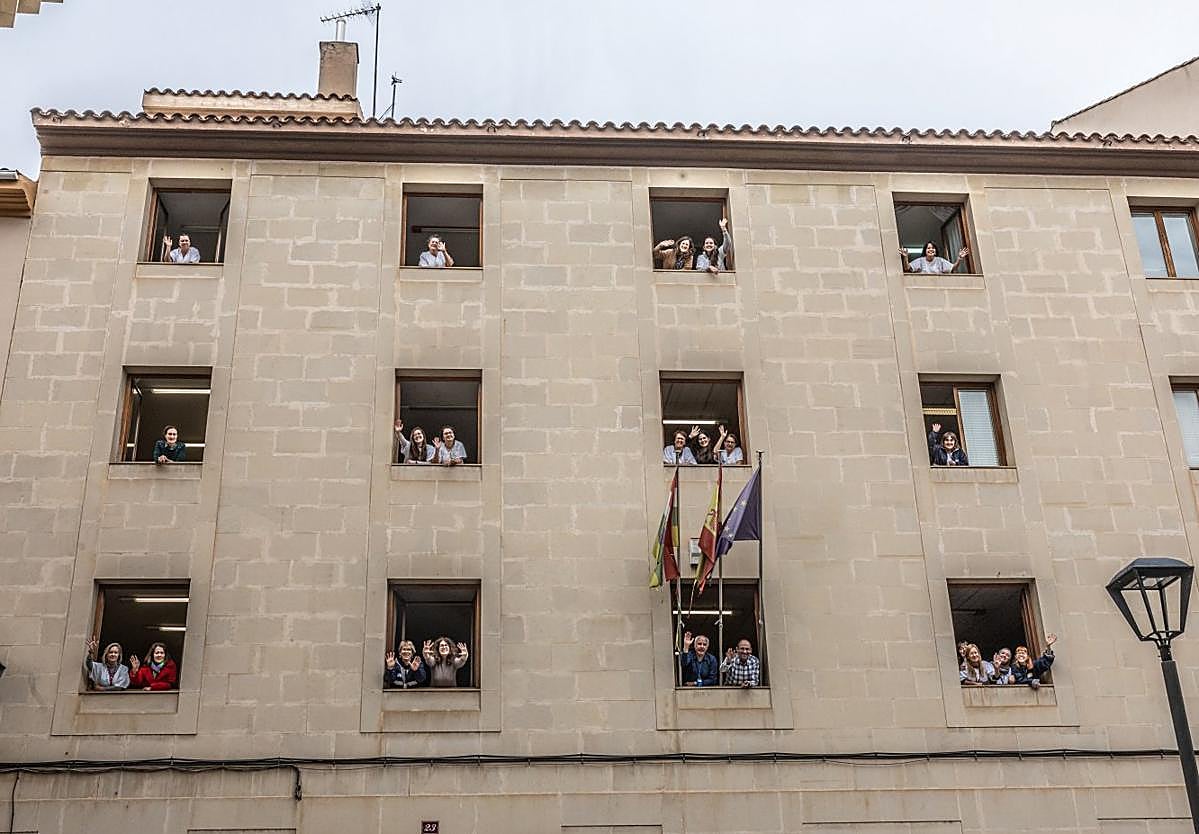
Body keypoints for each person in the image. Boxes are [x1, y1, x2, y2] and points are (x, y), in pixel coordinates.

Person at [899, 241, 969, 275]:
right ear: (925, 251)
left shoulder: (940, 260)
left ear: (935, 251)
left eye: (933, 248)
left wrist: (959, 258)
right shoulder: (920, 260)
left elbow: (953, 268)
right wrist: (905, 257)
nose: (931, 249)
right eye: (928, 248)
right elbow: (907, 268)